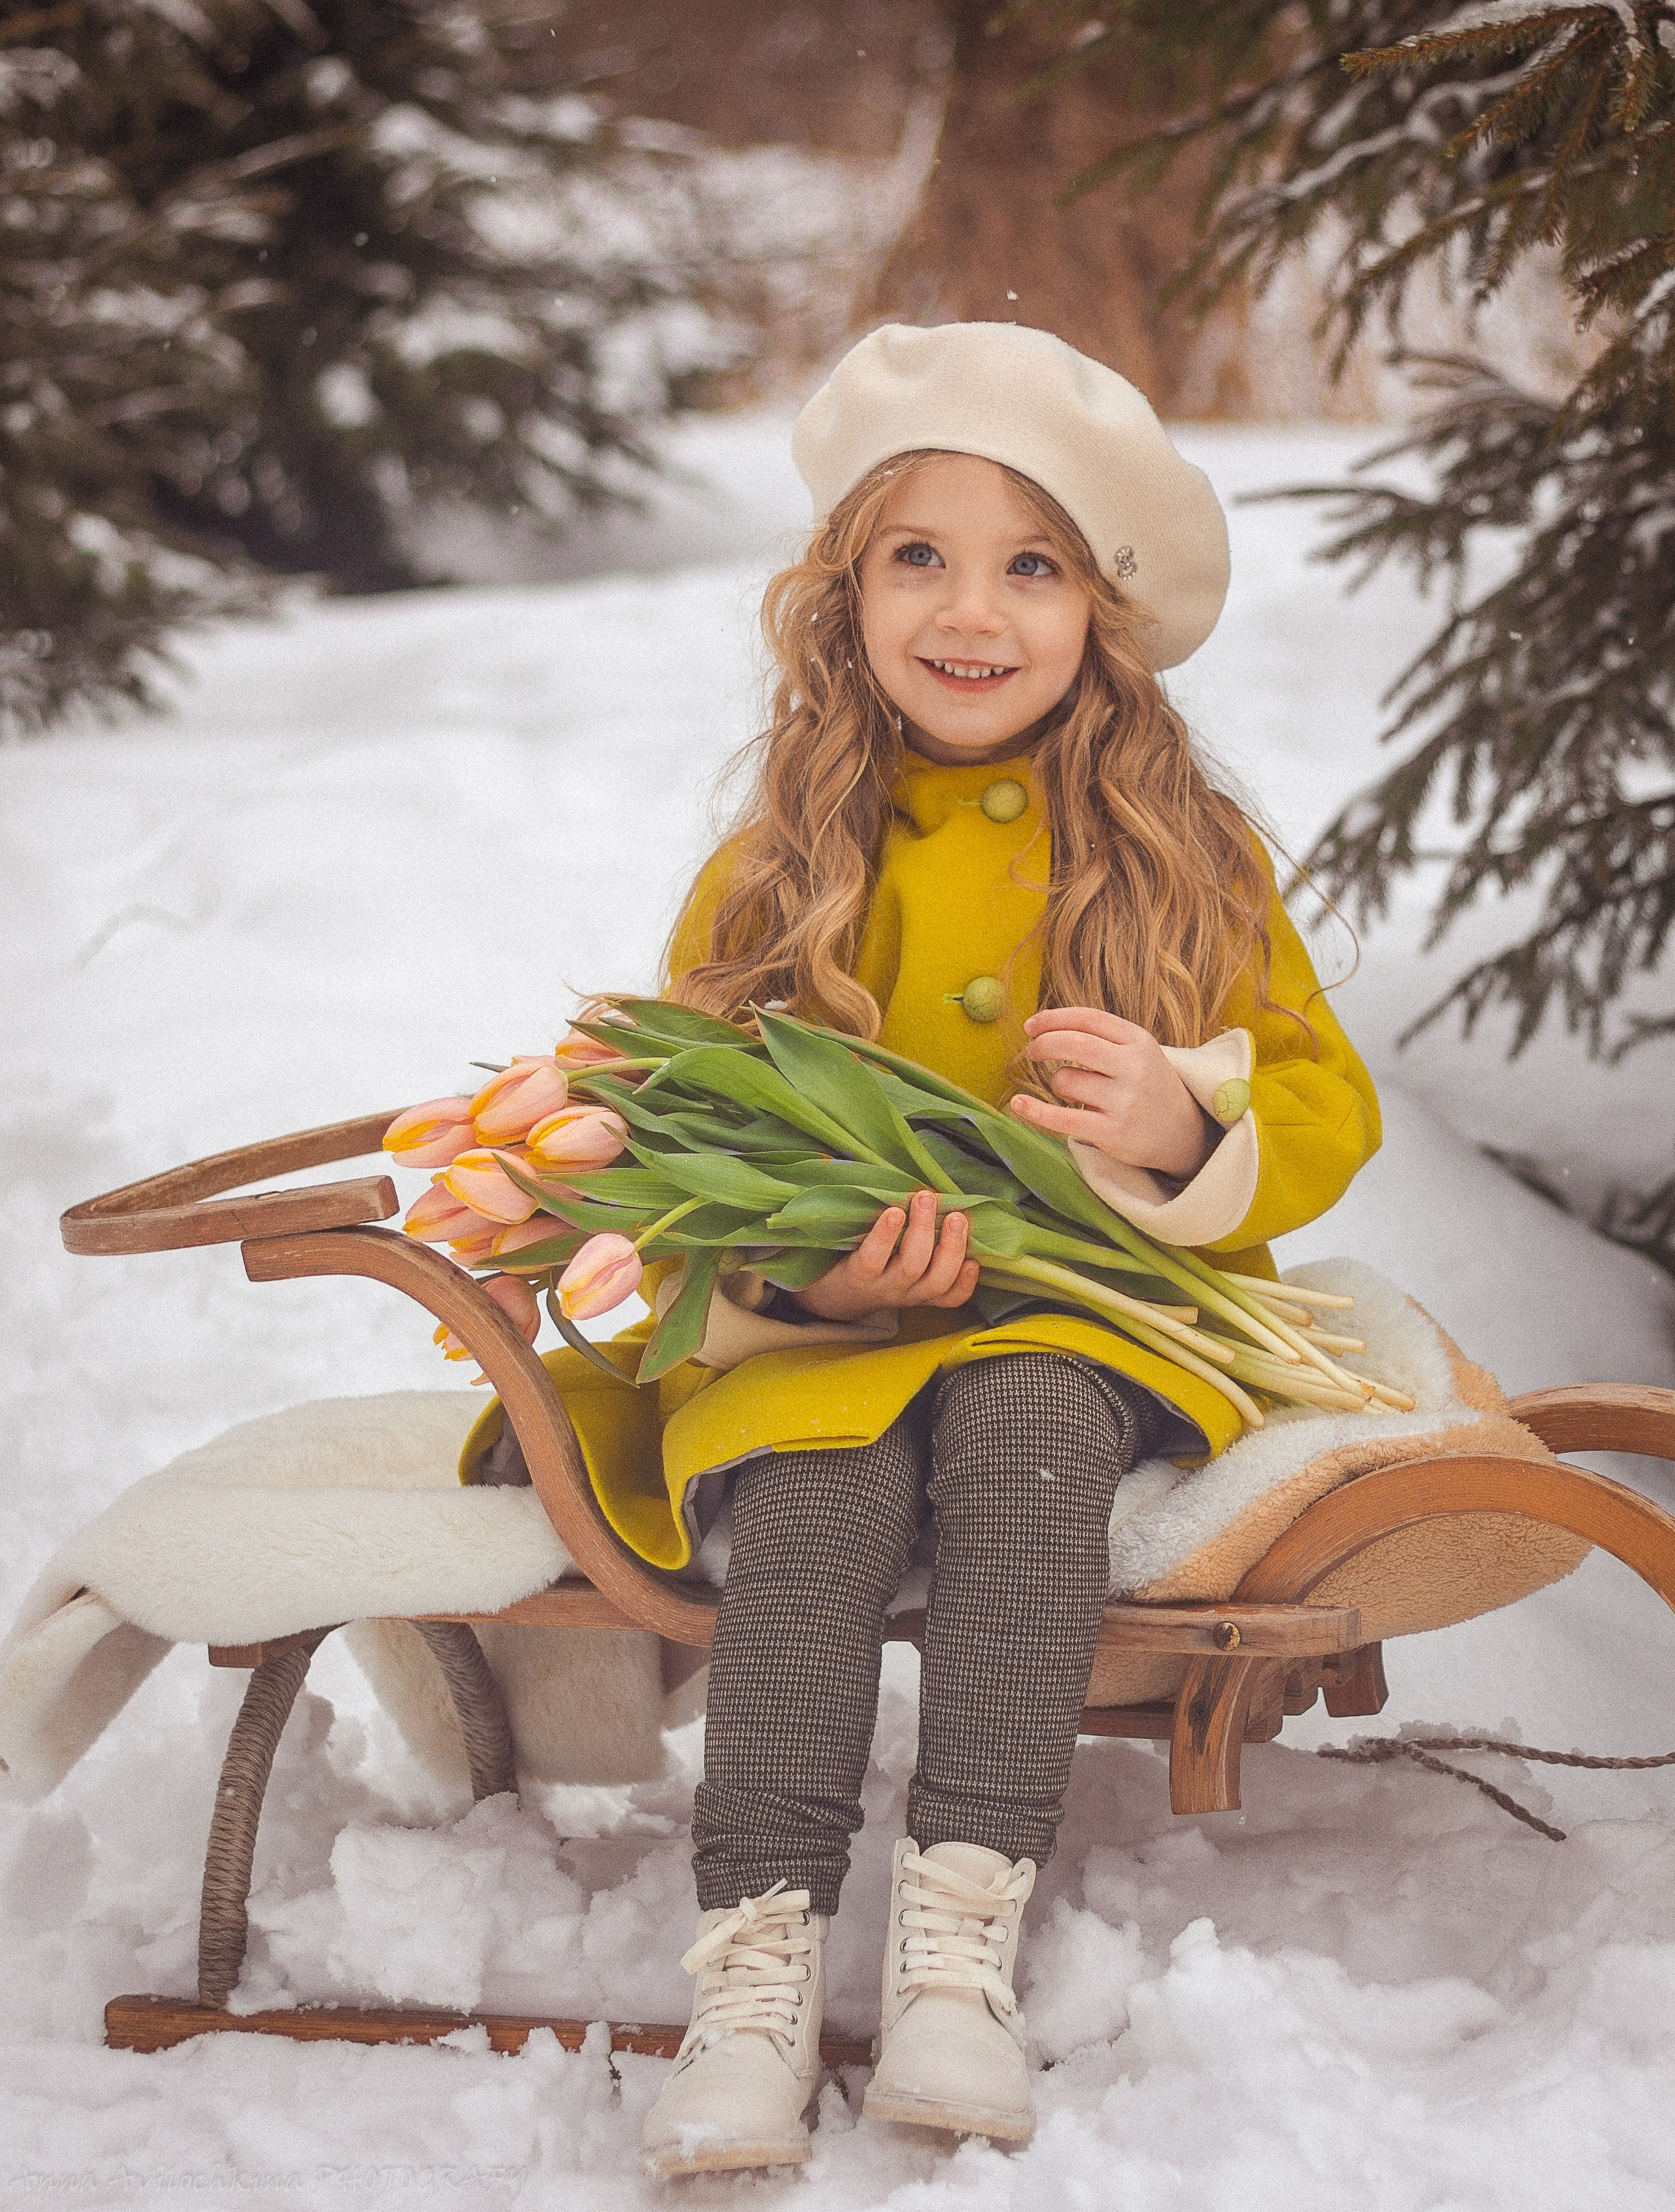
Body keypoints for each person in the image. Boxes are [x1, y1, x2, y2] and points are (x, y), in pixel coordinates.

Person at [461, 322, 1381, 2174]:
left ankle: (965, 1934)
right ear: (847, 595)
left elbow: (1324, 1103)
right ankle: (757, 1963)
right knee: (812, 1494)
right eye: (921, 557)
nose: (974, 611)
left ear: (1100, 611)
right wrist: (810, 1282)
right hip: (831, 1342)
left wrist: (1185, 1126)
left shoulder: (1184, 850)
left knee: (1027, 1434)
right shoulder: (780, 858)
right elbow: (686, 1141)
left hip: (1090, 1322)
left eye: (1031, 564)